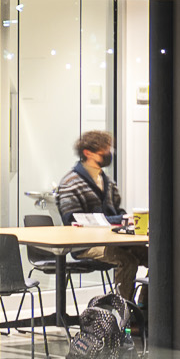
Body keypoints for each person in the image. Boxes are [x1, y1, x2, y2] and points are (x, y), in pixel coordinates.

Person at [54, 128, 139, 309]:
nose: (109, 154)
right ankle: (121, 315)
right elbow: (74, 220)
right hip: (84, 245)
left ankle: (144, 308)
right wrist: (119, 218)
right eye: (105, 151)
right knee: (128, 260)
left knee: (154, 256)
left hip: (113, 240)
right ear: (88, 153)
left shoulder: (106, 180)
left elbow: (117, 210)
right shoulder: (70, 183)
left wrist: (128, 220)